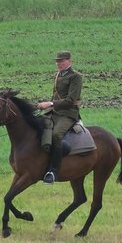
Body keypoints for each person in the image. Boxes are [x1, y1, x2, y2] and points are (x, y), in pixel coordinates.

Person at [36, 51, 83, 184]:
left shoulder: (76, 77)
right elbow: (55, 96)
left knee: (56, 134)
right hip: (54, 111)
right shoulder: (58, 75)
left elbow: (70, 100)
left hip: (68, 113)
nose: (59, 64)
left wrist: (49, 104)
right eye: (57, 61)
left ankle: (53, 171)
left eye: (62, 61)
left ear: (69, 61)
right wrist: (43, 106)